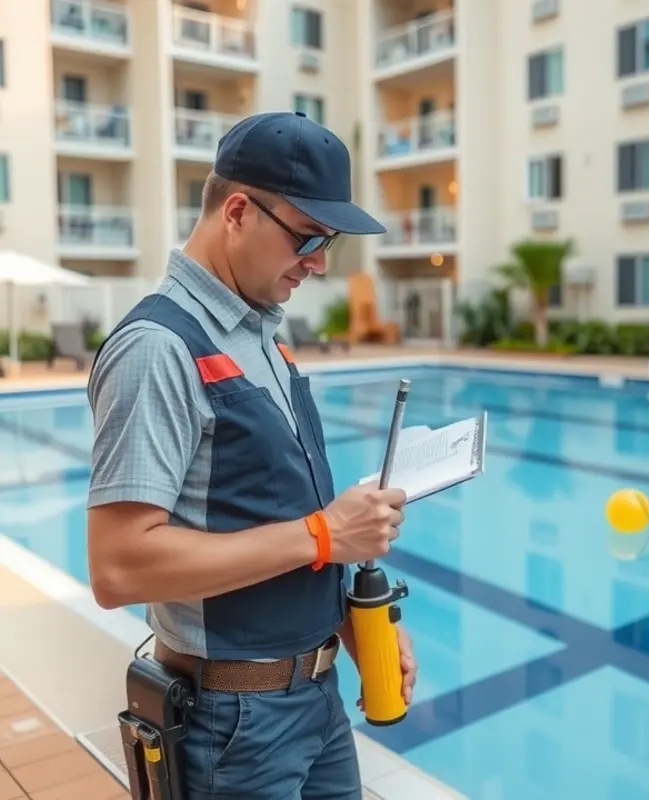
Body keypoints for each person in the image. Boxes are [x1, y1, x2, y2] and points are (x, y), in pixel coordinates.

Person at [85, 110, 417, 799]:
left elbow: (279, 511)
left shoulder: (261, 335)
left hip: (317, 700)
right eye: (310, 236)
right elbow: (118, 566)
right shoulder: (158, 348)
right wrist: (323, 533)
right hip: (233, 726)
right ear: (237, 211)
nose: (321, 262)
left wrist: (354, 625)